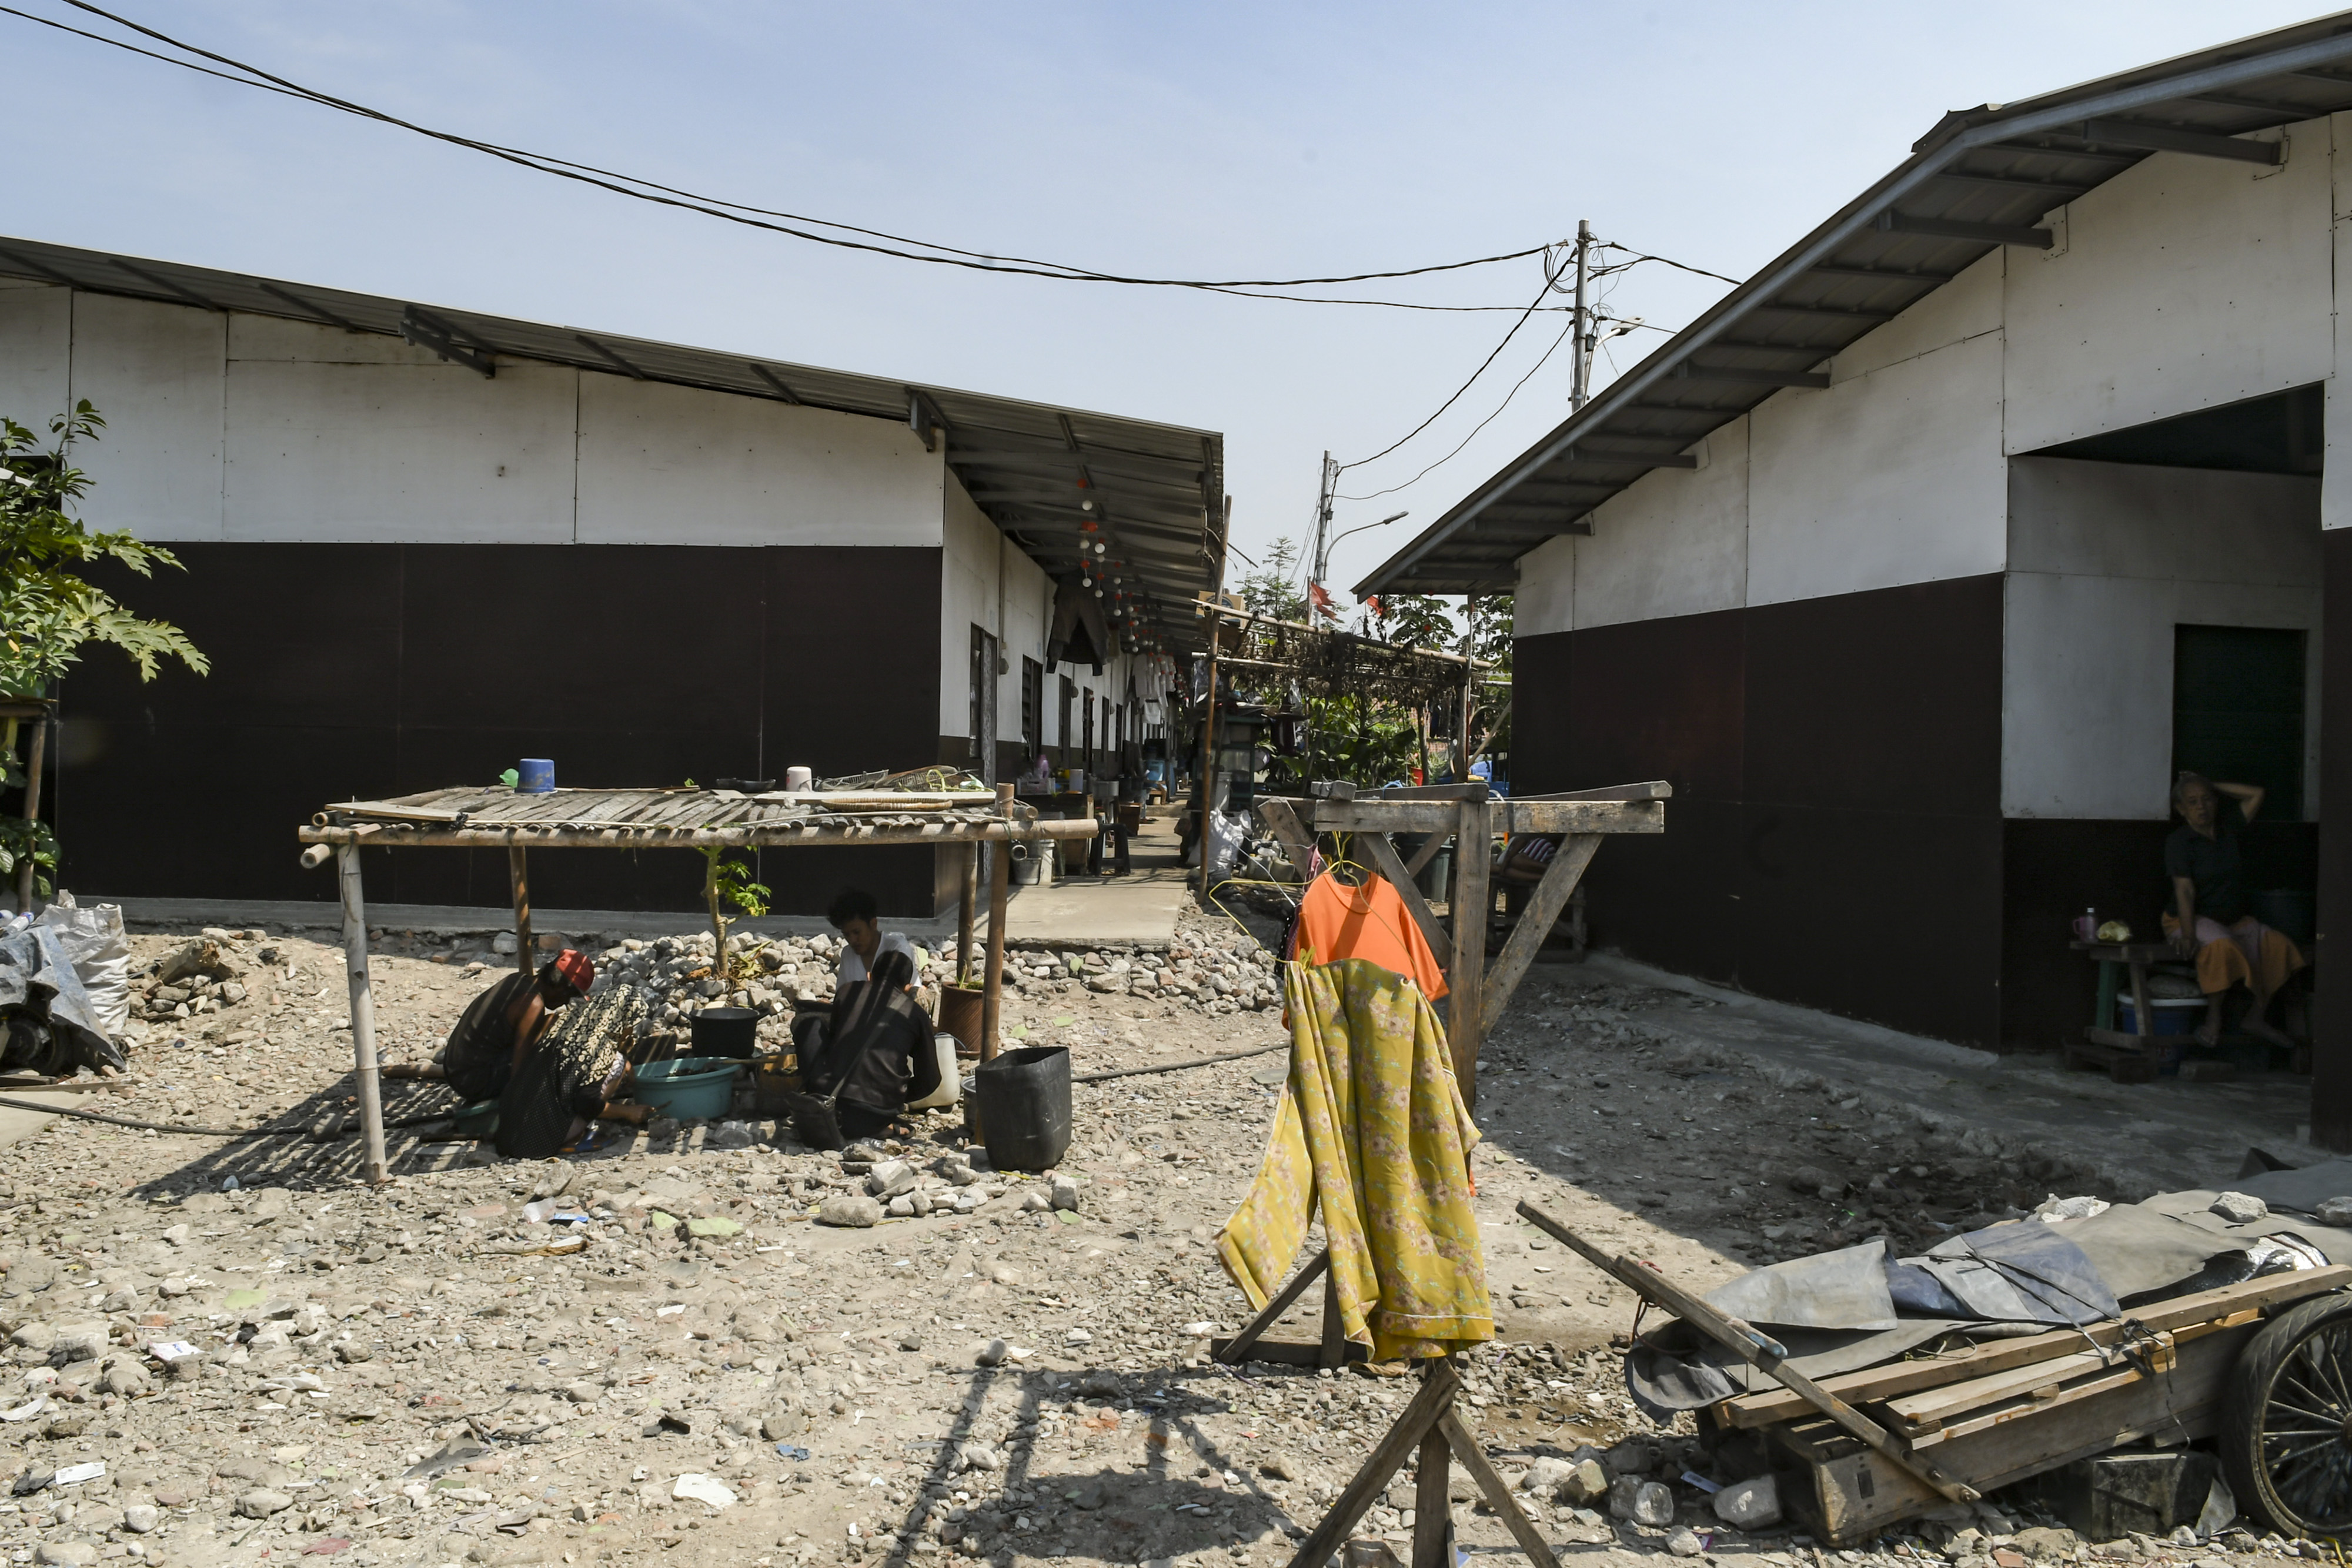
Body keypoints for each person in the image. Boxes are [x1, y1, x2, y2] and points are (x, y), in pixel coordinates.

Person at [2163, 773, 2304, 1047]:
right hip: (2186, 919)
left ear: (2216, 802)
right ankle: (2213, 1020)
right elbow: (2185, 890)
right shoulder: (2180, 842)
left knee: (2277, 946)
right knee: (2221, 947)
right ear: (2181, 810)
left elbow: (2256, 794)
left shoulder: (2229, 829)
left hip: (2231, 919)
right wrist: (2189, 933)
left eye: (2206, 800)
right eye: (2192, 802)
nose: (2201, 807)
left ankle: (2255, 1017)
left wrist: (2208, 783)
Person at [787, 888, 939, 1138]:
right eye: (847, 935)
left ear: (873, 924)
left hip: (884, 1038)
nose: (853, 940)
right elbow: (930, 1079)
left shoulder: (895, 951)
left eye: (857, 932)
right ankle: (870, 1114)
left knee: (807, 1026)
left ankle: (824, 1094)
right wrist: (899, 1094)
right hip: (882, 1103)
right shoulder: (849, 959)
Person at [442, 949, 624, 1156]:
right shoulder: (532, 1004)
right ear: (561, 989)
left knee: (557, 1027)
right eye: (569, 996)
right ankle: (570, 1129)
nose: (566, 1002)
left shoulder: (518, 980)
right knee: (561, 1060)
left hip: (458, 1068)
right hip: (474, 1079)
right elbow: (521, 1072)